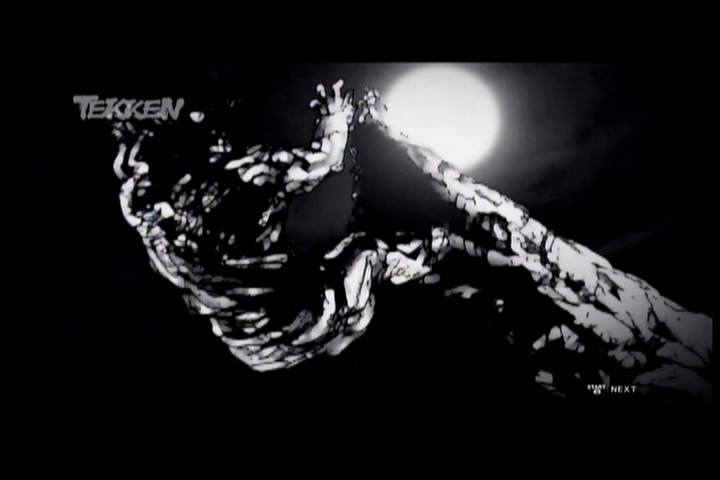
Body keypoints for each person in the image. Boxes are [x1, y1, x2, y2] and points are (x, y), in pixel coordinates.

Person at [113, 81, 712, 404]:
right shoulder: (236, 183)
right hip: (301, 317)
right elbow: (318, 162)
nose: (218, 133)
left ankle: (442, 269)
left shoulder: (150, 205)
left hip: (255, 338)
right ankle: (435, 263)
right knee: (396, 253)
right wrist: (336, 118)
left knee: (410, 258)